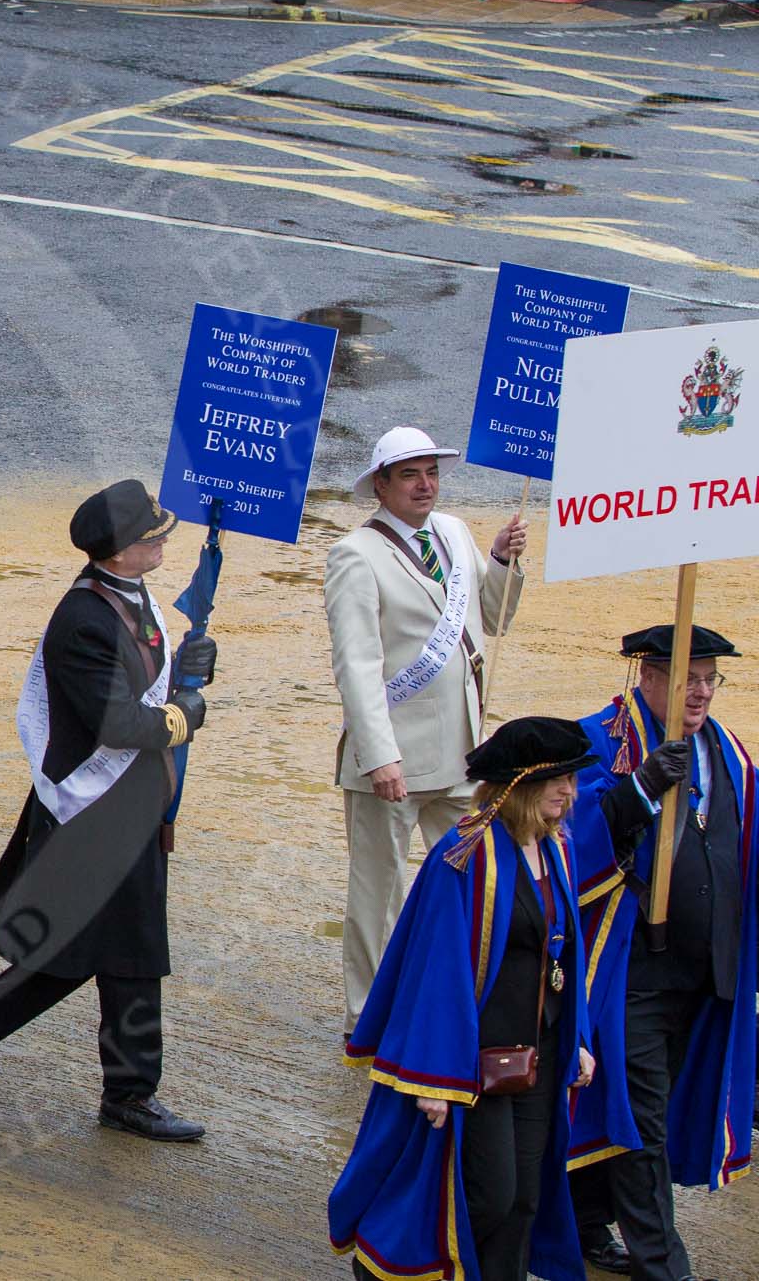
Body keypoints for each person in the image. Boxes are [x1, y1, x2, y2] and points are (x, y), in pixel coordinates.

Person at [0, 481, 215, 1141]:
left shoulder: (130, 599)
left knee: (121, 953)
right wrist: (185, 713)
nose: (164, 540)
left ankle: (117, 1087)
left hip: (129, 808)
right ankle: (124, 1093)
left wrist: (193, 669)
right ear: (120, 550)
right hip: (92, 813)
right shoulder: (83, 619)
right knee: (98, 953)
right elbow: (116, 722)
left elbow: (147, 681)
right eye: (152, 534)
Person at [330, 717, 598, 1281]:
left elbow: (563, 958)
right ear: (521, 784)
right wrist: (434, 1078)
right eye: (559, 782)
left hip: (539, 1057)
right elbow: (436, 972)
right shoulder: (466, 853)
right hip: (475, 1064)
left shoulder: (557, 848)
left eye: (572, 782)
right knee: (489, 1195)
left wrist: (577, 1040)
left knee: (526, 1198)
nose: (570, 793)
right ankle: (381, 1265)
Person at [564, 625, 753, 1281]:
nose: (699, 691)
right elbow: (568, 842)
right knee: (642, 1122)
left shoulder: (729, 753)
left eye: (708, 678)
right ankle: (663, 1265)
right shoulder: (599, 740)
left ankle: (586, 1220)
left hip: (701, 976)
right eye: (685, 677)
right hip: (628, 971)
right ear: (647, 675)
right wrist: (637, 790)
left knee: (648, 1107)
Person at [325, 426, 526, 1039]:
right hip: (394, 758)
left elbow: (491, 619)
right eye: (410, 474)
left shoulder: (456, 533)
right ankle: (370, 1016)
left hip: (463, 752)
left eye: (432, 472)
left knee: (475, 876)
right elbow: (355, 665)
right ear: (380, 484)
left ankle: (460, 998)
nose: (425, 484)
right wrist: (379, 756)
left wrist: (501, 561)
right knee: (378, 894)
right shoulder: (355, 554)